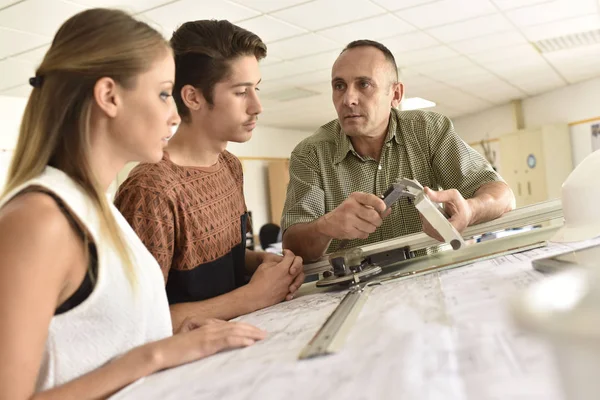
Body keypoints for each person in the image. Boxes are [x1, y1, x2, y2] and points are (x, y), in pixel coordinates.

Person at [0, 9, 266, 399]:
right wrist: (154, 355)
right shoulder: (41, 219)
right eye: (162, 93)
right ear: (109, 96)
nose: (175, 114)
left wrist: (168, 335)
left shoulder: (98, 208)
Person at [114, 20, 304, 330]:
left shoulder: (230, 165)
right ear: (193, 97)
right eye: (241, 92)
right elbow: (136, 324)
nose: (257, 106)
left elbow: (213, 264)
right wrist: (253, 296)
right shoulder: (151, 190)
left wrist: (259, 263)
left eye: (256, 89)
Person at [281, 40, 515, 262]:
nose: (348, 99)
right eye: (339, 86)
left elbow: (503, 196)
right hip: (353, 295)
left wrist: (471, 210)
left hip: (433, 279)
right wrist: (326, 225)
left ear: (395, 94)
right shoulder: (310, 154)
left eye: (364, 84)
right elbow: (292, 246)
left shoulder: (428, 131)